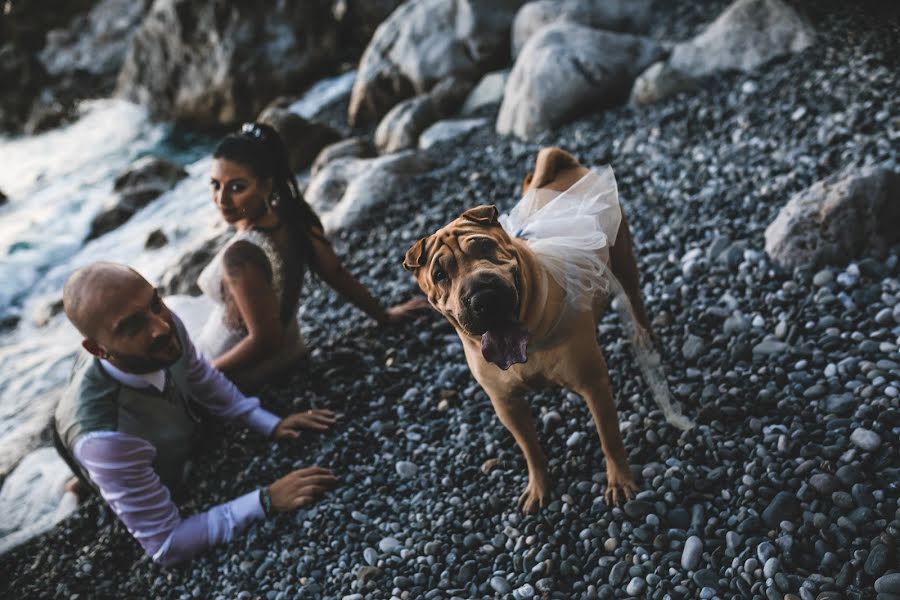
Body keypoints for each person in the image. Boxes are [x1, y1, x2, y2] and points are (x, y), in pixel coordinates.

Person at [54, 262, 339, 566]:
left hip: (126, 422)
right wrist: (265, 499)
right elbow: (165, 545)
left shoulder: (159, 323)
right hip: (93, 436)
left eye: (155, 302)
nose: (162, 326)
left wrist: (269, 423)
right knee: (132, 472)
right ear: (98, 350)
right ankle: (83, 481)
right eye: (132, 325)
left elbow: (201, 376)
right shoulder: (105, 439)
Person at [165, 122, 427, 390]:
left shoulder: (240, 255)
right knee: (176, 307)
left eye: (237, 187)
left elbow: (266, 339)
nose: (222, 199)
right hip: (292, 349)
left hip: (241, 366)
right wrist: (383, 315)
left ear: (267, 186)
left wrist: (203, 375)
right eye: (215, 185)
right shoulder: (296, 217)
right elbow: (334, 273)